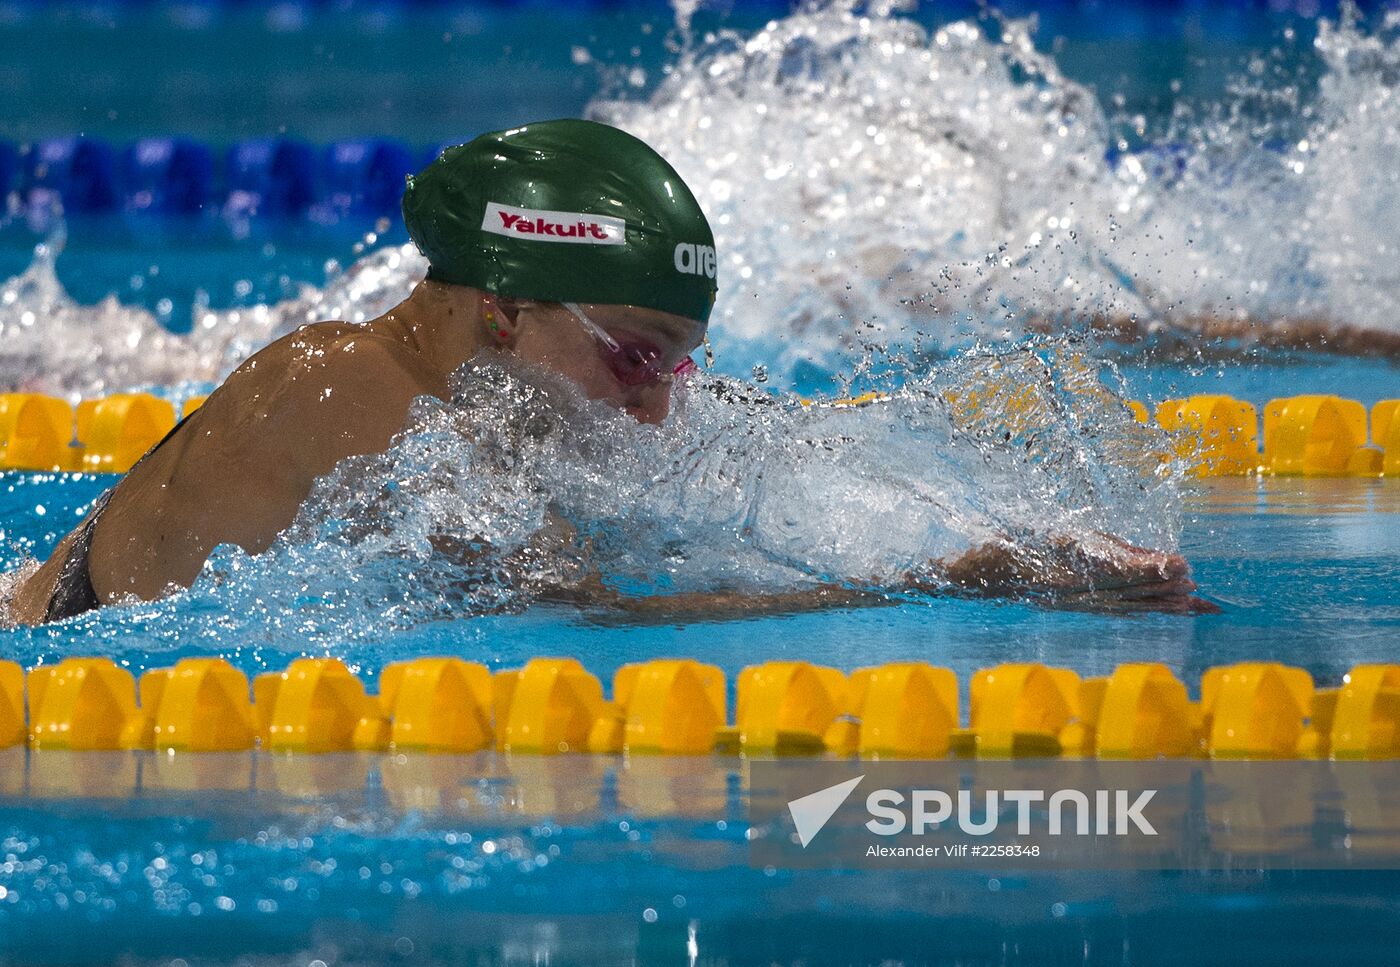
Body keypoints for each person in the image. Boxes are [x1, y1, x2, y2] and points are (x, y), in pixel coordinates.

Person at [6, 119, 1206, 626]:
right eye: (634, 358)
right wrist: (943, 597)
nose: (651, 404)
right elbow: (579, 612)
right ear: (505, 310)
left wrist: (1021, 549)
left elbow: (792, 460)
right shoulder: (341, 389)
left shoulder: (518, 392)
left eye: (673, 367)